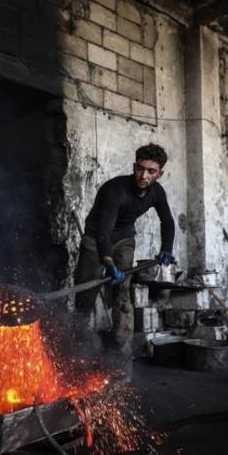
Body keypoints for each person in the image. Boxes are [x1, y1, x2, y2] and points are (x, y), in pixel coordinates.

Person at [74, 143, 176, 352]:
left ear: (160, 174)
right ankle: (77, 344)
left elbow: (167, 221)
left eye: (151, 171)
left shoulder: (157, 192)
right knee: (86, 293)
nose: (144, 176)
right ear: (134, 166)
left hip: (124, 238)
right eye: (140, 168)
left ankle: (118, 347)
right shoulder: (114, 190)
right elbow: (103, 232)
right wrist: (107, 262)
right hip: (95, 238)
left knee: (122, 290)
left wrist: (167, 248)